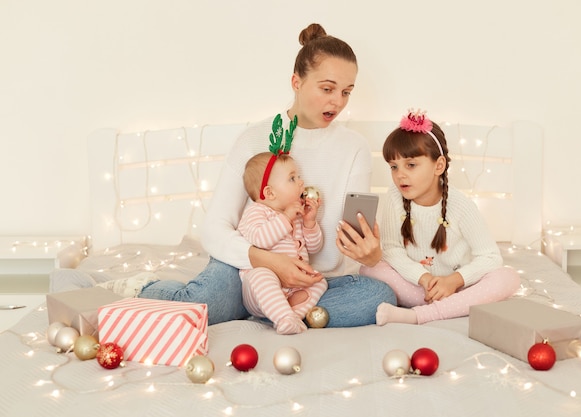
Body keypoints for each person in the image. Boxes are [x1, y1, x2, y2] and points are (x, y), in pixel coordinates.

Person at [137, 23, 396, 326]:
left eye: (346, 92)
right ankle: (147, 289)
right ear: (296, 82)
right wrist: (270, 262)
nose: (337, 101)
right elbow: (215, 229)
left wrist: (369, 254)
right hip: (250, 270)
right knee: (209, 298)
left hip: (310, 281)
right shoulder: (254, 139)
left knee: (378, 296)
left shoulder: (355, 148)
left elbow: (337, 254)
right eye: (327, 89)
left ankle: (277, 311)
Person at [361, 109, 520, 325]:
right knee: (370, 268)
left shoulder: (460, 205)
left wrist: (454, 281)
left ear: (439, 165)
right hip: (419, 284)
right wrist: (424, 278)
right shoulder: (394, 196)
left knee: (508, 278)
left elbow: (490, 257)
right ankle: (452, 305)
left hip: (460, 285)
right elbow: (391, 250)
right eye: (393, 167)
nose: (400, 175)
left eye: (411, 165)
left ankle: (422, 314)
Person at [238, 140, 328, 334]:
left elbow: (313, 248)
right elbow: (260, 239)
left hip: (292, 288)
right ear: (269, 193)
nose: (301, 182)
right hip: (259, 290)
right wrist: (286, 217)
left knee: (319, 281)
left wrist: (310, 223)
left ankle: (291, 316)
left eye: (299, 177)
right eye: (292, 178)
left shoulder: (295, 216)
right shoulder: (256, 212)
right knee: (261, 275)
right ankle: (283, 316)